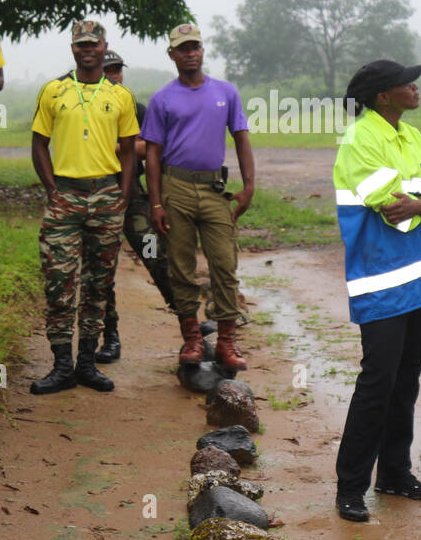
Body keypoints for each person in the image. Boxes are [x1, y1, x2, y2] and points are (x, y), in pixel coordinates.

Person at [331, 60, 421, 523]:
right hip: (381, 279)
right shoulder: (359, 139)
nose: (415, 86)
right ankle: (350, 486)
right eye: (407, 81)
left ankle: (394, 473)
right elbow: (394, 210)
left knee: (406, 378)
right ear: (383, 96)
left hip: (418, 278)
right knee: (377, 381)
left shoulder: (412, 135)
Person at [29, 20, 136, 395]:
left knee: (98, 284)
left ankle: (87, 364)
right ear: (73, 47)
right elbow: (39, 142)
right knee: (59, 283)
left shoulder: (119, 95)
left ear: (104, 46)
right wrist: (51, 188)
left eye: (93, 43)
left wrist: (122, 193)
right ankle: (61, 367)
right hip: (66, 198)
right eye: (80, 43)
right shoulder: (54, 90)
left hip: (106, 196)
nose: (87, 49)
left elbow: (129, 148)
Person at [143, 24, 253, 370]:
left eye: (195, 47)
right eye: (183, 48)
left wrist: (249, 185)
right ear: (172, 55)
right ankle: (191, 339)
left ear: (202, 51)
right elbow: (152, 153)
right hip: (176, 186)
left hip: (213, 188)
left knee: (224, 263)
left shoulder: (225, 92)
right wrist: (156, 201)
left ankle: (226, 341)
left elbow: (241, 138)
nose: (190, 53)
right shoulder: (163, 99)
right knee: (181, 265)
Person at [99, 50, 175, 363]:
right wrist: (128, 147)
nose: (114, 76)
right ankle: (109, 337)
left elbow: (155, 144)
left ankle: (191, 325)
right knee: (101, 270)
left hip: (130, 196)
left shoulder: (134, 107)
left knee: (156, 254)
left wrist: (115, 146)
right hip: (95, 197)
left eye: (117, 70)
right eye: (108, 71)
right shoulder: (84, 106)